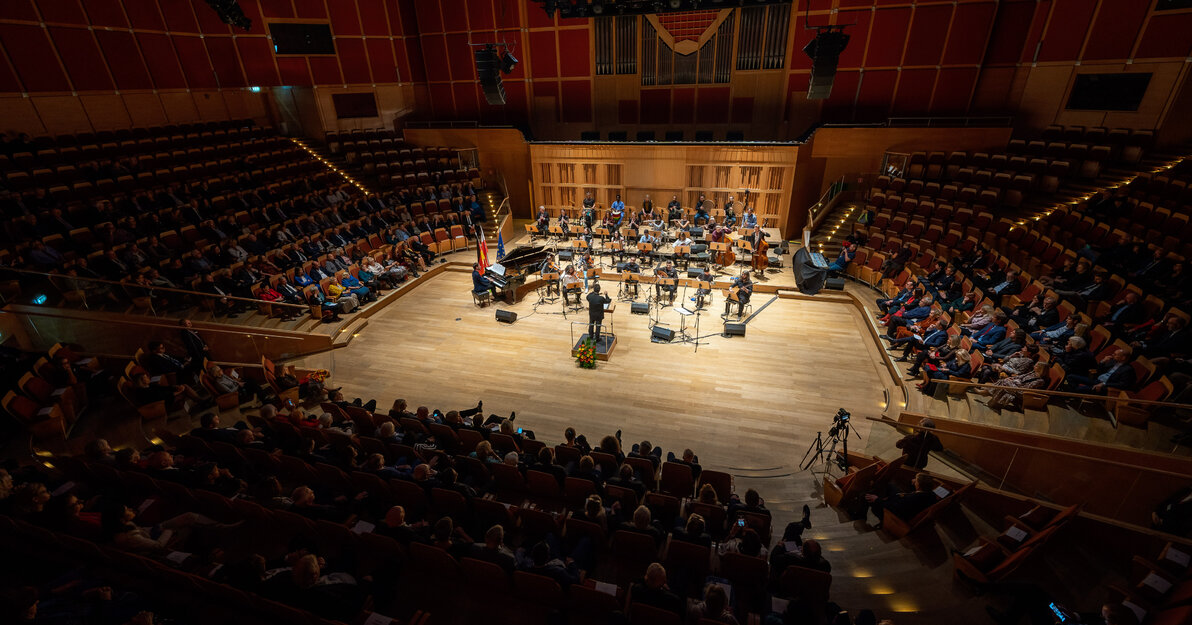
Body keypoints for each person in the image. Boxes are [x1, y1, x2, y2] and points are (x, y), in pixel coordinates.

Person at [864, 472, 940, 527]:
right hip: (901, 501)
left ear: (919, 485)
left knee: (867, 498)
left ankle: (861, 517)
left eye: (916, 480)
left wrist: (877, 500)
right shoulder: (931, 495)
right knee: (890, 485)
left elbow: (892, 508)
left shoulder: (912, 499)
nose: (913, 480)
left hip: (893, 513)